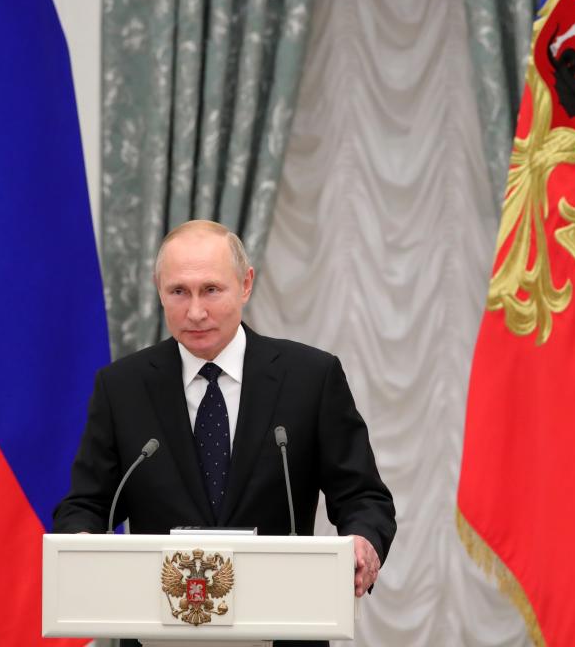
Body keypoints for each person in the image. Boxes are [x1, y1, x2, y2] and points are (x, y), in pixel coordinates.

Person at [53, 220, 395, 643]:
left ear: (245, 284)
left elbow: (362, 495)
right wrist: (81, 539)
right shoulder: (122, 386)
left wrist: (363, 540)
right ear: (159, 289)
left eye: (211, 290)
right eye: (179, 291)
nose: (195, 311)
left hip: (283, 628)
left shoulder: (311, 377)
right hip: (159, 633)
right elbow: (86, 503)